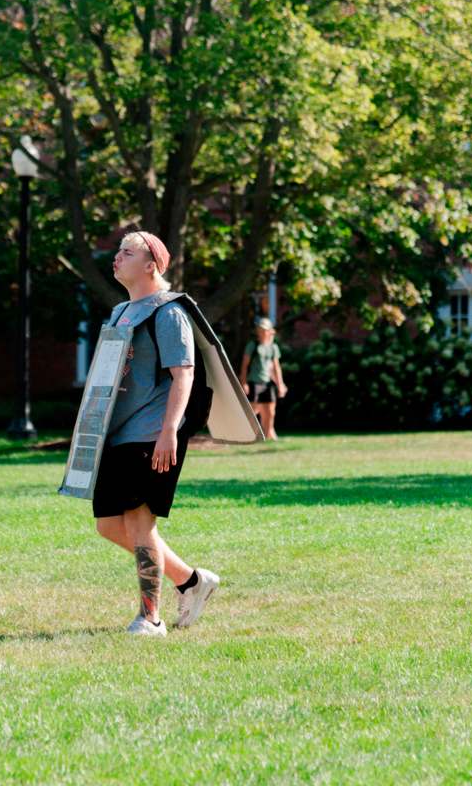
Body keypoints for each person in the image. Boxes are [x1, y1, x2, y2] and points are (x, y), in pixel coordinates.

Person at [92, 231, 220, 638]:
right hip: (117, 433)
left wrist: (169, 431)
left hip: (152, 433)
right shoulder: (119, 313)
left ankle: (151, 619)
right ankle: (192, 581)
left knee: (140, 521)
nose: (117, 258)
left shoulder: (168, 313)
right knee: (109, 525)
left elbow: (184, 374)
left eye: (127, 253)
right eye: (117, 252)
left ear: (151, 265)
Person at [239, 317, 287, 441]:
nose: (261, 331)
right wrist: (244, 383)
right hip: (254, 382)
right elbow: (244, 365)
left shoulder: (273, 347)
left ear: (270, 331)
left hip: (268, 383)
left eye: (264, 329)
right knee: (253, 411)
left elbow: (276, 367)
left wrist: (280, 384)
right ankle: (245, 435)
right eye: (259, 329)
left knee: (270, 411)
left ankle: (266, 436)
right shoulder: (253, 345)